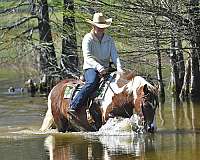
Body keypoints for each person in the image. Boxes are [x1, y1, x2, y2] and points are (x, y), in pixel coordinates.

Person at [68, 12, 123, 114]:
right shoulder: (87, 38)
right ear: (93, 26)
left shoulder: (109, 40)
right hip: (91, 68)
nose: (101, 29)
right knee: (92, 82)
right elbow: (87, 57)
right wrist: (99, 67)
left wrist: (120, 69)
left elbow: (115, 56)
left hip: (106, 68)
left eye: (103, 27)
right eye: (98, 26)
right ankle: (74, 105)